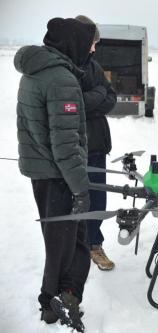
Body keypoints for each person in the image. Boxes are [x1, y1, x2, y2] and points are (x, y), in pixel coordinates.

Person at [15, 17, 96, 332]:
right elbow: (65, 145)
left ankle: (64, 296)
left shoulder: (37, 71)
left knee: (64, 242)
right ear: (74, 44)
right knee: (67, 245)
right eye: (89, 44)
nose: (91, 50)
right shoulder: (60, 78)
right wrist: (80, 188)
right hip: (59, 176)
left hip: (44, 173)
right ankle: (52, 302)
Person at [74, 15, 117, 271]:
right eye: (92, 42)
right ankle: (76, 249)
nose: (94, 48)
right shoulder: (67, 66)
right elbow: (73, 105)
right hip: (76, 147)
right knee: (77, 201)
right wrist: (96, 96)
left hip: (98, 144)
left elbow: (110, 97)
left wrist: (96, 97)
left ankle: (94, 245)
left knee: (98, 201)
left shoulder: (93, 65)